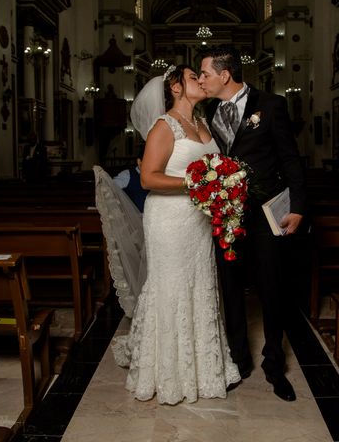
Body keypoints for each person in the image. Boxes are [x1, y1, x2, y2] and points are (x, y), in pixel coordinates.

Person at [111, 64, 240, 404]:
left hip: (198, 220)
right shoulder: (163, 126)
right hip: (168, 218)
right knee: (171, 287)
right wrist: (196, 184)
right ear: (176, 87)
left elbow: (213, 165)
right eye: (192, 76)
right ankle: (167, 370)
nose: (200, 79)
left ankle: (203, 368)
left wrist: (222, 184)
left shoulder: (202, 123)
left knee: (200, 284)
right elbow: (148, 178)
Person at [198, 45, 306, 402]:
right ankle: (238, 361)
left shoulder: (271, 105)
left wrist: (299, 207)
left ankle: (275, 363)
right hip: (225, 214)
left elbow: (291, 159)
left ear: (224, 75)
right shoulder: (208, 110)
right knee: (230, 288)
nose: (202, 80)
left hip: (264, 212)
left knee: (271, 287)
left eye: (206, 74)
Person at [112, 146, 149, 212]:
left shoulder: (157, 177)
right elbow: (109, 190)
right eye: (149, 161)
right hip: (133, 219)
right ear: (139, 161)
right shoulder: (127, 175)